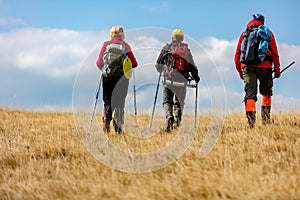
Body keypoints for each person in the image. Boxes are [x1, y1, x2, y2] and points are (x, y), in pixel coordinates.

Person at [234, 14, 280, 128]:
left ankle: (251, 124)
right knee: (266, 93)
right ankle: (265, 120)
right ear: (262, 22)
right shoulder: (268, 33)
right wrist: (277, 70)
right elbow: (275, 54)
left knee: (250, 95)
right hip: (265, 66)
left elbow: (237, 56)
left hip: (247, 67)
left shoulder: (244, 34)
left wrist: (241, 72)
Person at [155, 29, 200, 132]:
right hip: (182, 80)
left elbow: (158, 64)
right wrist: (196, 78)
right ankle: (177, 123)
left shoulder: (167, 48)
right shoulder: (186, 50)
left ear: (172, 38)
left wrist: (164, 72)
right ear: (182, 38)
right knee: (179, 102)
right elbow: (192, 66)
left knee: (167, 101)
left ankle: (169, 116)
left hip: (169, 79)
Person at [96, 25, 138, 133]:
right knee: (120, 102)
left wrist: (104, 70)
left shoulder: (106, 45)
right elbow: (134, 63)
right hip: (122, 79)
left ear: (111, 34)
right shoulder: (126, 46)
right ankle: (118, 127)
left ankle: (106, 123)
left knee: (107, 101)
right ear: (122, 34)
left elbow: (98, 63)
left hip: (108, 77)